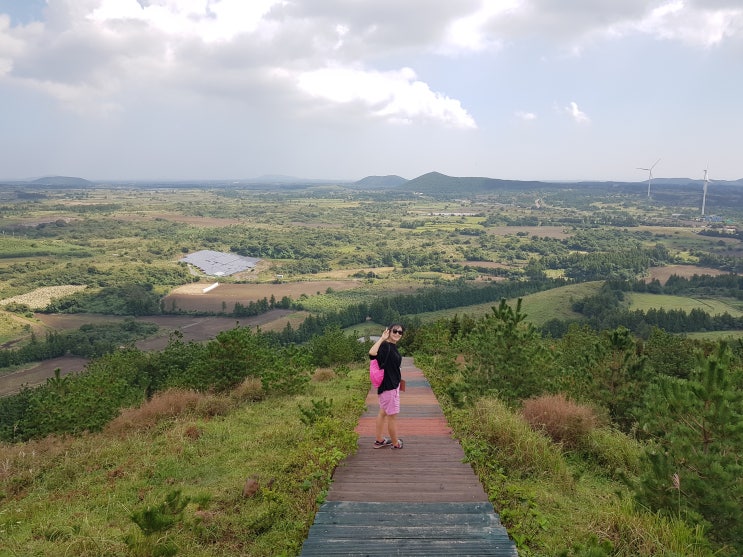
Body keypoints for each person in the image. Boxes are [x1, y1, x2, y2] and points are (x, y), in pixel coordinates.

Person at [369, 324, 404, 449]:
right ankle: (395, 443)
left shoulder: (392, 346)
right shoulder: (385, 346)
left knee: (383, 412)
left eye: (400, 332)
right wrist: (382, 338)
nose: (397, 334)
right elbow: (372, 353)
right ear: (389, 331)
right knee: (392, 417)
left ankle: (379, 440)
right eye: (395, 331)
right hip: (389, 387)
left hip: (389, 386)